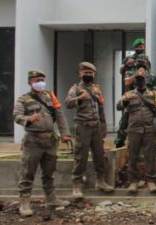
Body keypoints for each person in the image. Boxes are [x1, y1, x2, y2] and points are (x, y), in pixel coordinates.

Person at [13, 70, 72, 217]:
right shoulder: (24, 99)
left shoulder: (49, 96)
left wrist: (65, 134)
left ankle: (51, 198)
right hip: (33, 140)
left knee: (49, 171)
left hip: (50, 140)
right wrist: (28, 118)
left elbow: (59, 115)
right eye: (37, 80)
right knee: (28, 171)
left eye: (42, 79)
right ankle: (25, 202)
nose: (40, 82)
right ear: (30, 82)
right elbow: (16, 115)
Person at [65, 62, 115, 199]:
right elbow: (68, 103)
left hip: (96, 125)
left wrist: (103, 126)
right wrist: (79, 98)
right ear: (80, 74)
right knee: (81, 155)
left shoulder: (96, 89)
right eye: (85, 73)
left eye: (91, 73)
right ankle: (77, 185)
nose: (88, 75)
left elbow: (101, 107)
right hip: (82, 125)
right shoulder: (75, 89)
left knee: (99, 155)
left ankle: (101, 181)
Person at [117, 69, 156, 193]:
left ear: (146, 81)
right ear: (135, 82)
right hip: (133, 130)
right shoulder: (129, 94)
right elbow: (118, 106)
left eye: (142, 79)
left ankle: (151, 181)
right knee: (132, 156)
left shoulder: (153, 94)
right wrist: (125, 100)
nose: (140, 81)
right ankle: (133, 181)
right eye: (137, 79)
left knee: (150, 156)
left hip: (149, 129)